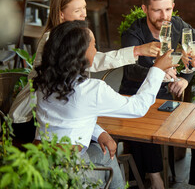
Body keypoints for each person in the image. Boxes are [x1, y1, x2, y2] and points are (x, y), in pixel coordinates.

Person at [9, 0, 160, 157]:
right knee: (98, 147)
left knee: (95, 133)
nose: (84, 14)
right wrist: (142, 55)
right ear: (61, 14)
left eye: (84, 8)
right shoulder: (53, 42)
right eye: (77, 10)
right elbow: (94, 62)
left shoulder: (69, 39)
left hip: (52, 119)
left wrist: (137, 51)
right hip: (29, 120)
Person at [33, 20, 174, 189]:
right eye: (93, 46)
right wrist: (157, 69)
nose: (96, 50)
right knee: (109, 156)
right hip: (70, 172)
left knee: (105, 153)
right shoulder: (91, 89)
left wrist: (100, 133)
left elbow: (71, 117)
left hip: (37, 164)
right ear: (80, 53)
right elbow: (138, 107)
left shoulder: (43, 81)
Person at [119, 0, 195, 188]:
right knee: (143, 118)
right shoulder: (133, 34)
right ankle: (156, 177)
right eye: (157, 10)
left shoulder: (176, 25)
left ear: (173, 6)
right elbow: (130, 71)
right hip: (133, 92)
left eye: (168, 9)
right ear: (144, 9)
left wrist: (187, 77)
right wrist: (158, 72)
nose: (164, 16)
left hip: (164, 93)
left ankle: (184, 179)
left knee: (190, 122)